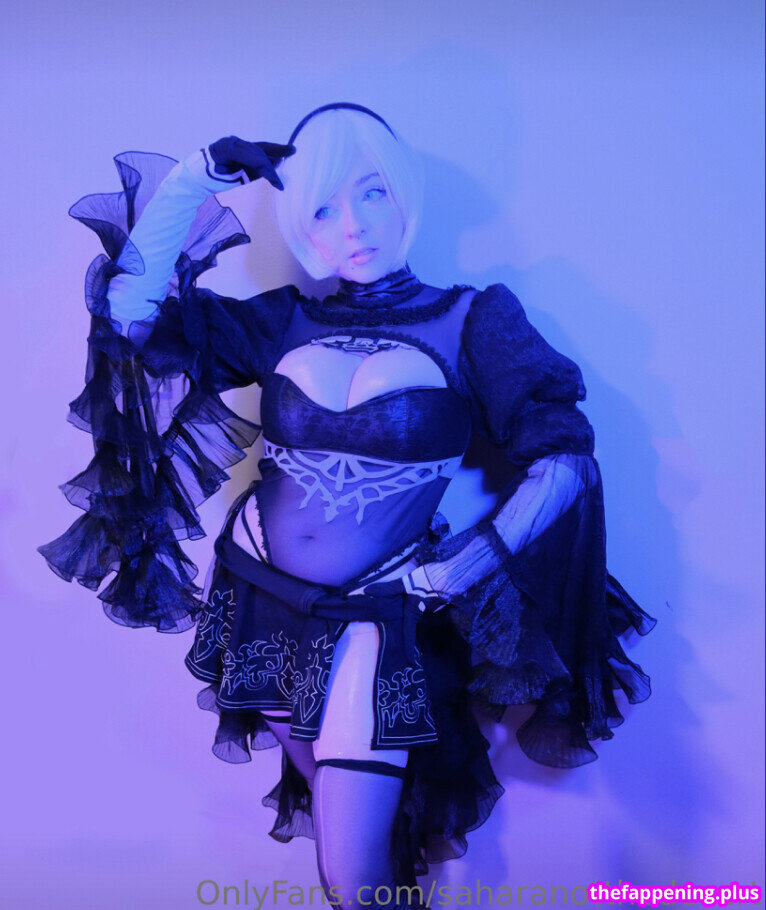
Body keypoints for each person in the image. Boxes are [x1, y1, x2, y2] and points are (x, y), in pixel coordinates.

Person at [40, 103, 655, 908]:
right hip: (258, 600)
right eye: (322, 209)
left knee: (348, 874)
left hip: (377, 615)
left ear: (403, 193)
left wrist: (458, 570)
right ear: (298, 226)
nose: (353, 226)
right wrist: (190, 181)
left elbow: (565, 460)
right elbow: (129, 317)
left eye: (370, 192)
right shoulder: (282, 320)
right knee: (363, 844)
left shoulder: (473, 320)